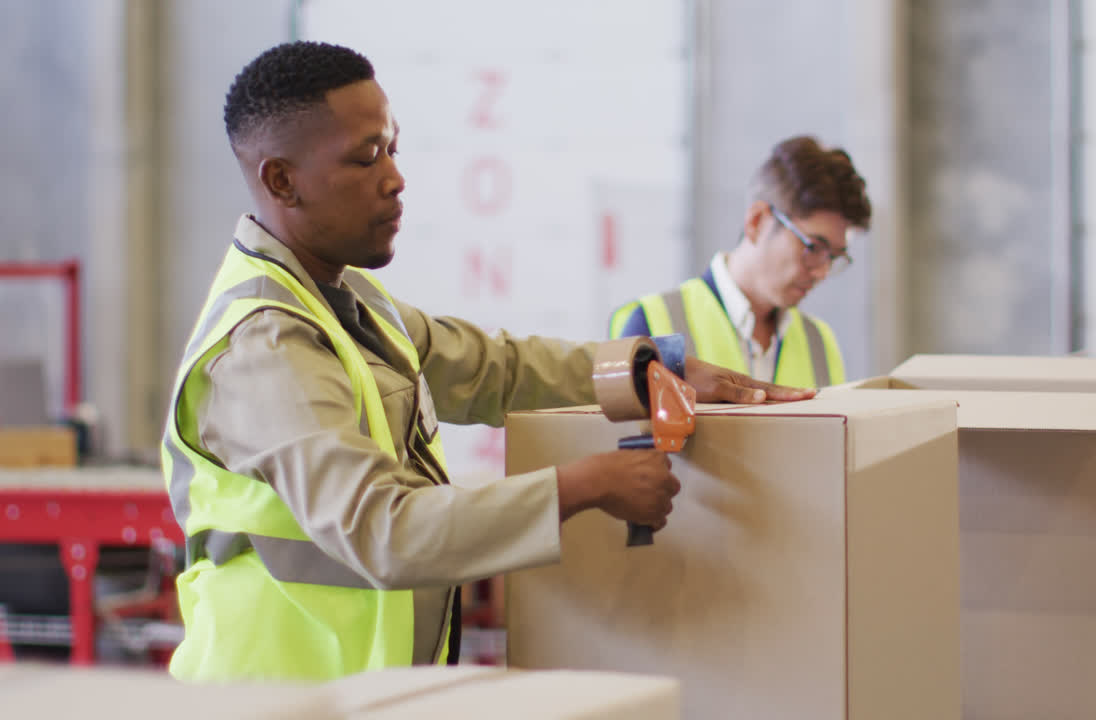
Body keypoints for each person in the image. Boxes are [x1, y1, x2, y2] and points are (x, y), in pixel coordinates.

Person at [160, 41, 812, 683]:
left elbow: (493, 368)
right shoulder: (265, 348)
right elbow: (385, 532)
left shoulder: (346, 300)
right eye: (365, 157)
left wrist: (649, 371)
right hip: (275, 695)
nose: (395, 178)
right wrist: (586, 485)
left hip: (360, 691)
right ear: (281, 180)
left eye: (393, 148)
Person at [609, 136, 872, 388]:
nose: (822, 271)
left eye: (833, 256)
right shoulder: (650, 323)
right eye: (813, 247)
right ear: (757, 221)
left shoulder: (820, 343)